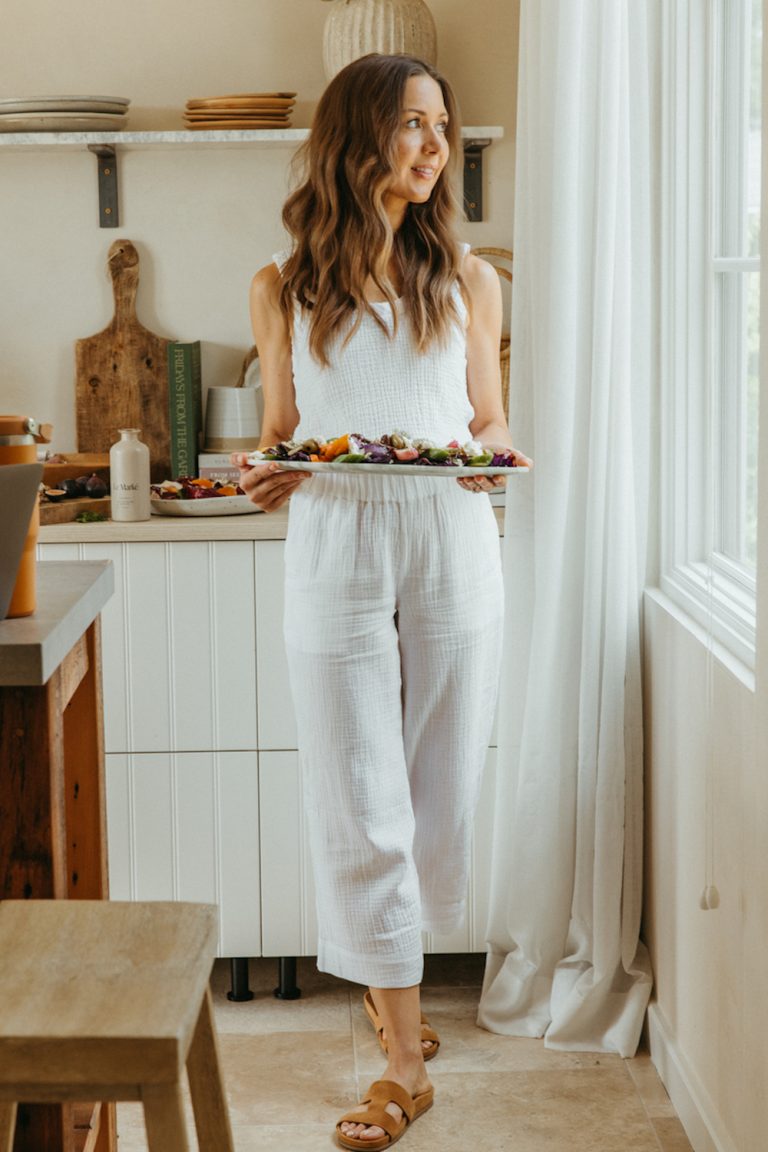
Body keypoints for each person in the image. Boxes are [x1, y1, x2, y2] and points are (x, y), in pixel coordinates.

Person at [233, 52, 531, 1150]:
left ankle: (386, 978)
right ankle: (405, 1064)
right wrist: (269, 470)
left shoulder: (470, 278)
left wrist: (494, 460)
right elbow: (280, 434)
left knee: (440, 787)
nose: (433, 147)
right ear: (360, 134)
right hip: (336, 537)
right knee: (356, 788)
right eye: (412, 124)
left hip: (451, 533)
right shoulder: (283, 283)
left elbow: (487, 421)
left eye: (442, 129)